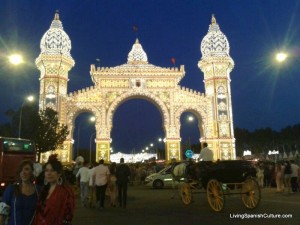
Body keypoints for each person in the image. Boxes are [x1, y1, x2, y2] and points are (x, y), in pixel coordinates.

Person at [32, 154, 75, 225]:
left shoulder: (66, 191)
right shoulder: (43, 190)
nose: (49, 173)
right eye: (46, 170)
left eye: (52, 170)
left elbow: (68, 215)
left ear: (59, 173)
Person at [0, 160, 40, 225]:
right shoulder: (11, 189)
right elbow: (3, 215)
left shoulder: (38, 190)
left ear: (33, 172)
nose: (23, 172)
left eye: (26, 169)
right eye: (21, 170)